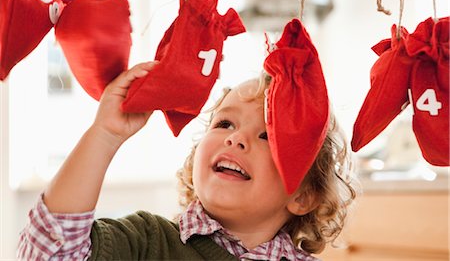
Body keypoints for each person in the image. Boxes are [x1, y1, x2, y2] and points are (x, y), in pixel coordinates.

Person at [17, 61, 356, 260]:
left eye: (268, 136)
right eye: (224, 123)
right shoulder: (147, 241)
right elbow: (49, 250)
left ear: (303, 196)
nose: (235, 138)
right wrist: (105, 134)